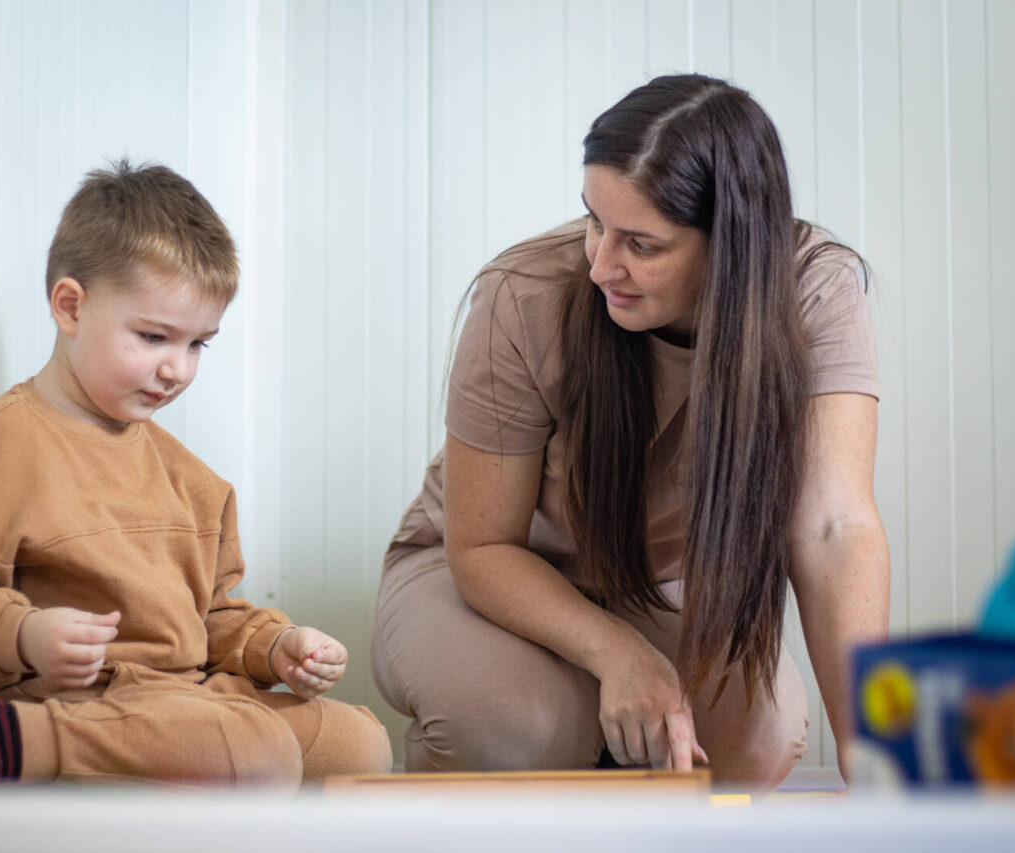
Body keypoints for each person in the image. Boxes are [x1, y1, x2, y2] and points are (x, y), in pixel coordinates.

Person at [371, 74, 889, 790]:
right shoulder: (524, 291)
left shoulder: (815, 290)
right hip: (486, 572)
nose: (599, 264)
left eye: (642, 244)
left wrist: (881, 769)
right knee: (521, 726)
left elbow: (834, 527)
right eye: (593, 221)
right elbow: (483, 546)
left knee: (764, 738)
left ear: (733, 246)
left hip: (653, 589)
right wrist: (618, 655)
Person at [0, 161, 392, 791]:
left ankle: (196, 749)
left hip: (190, 700)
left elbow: (212, 619)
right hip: (79, 702)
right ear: (70, 307)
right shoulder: (3, 441)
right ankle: (10, 743)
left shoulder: (192, 480)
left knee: (358, 745)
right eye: (153, 337)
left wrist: (275, 648)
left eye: (198, 345)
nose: (177, 369)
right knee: (255, 753)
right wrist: (24, 633)